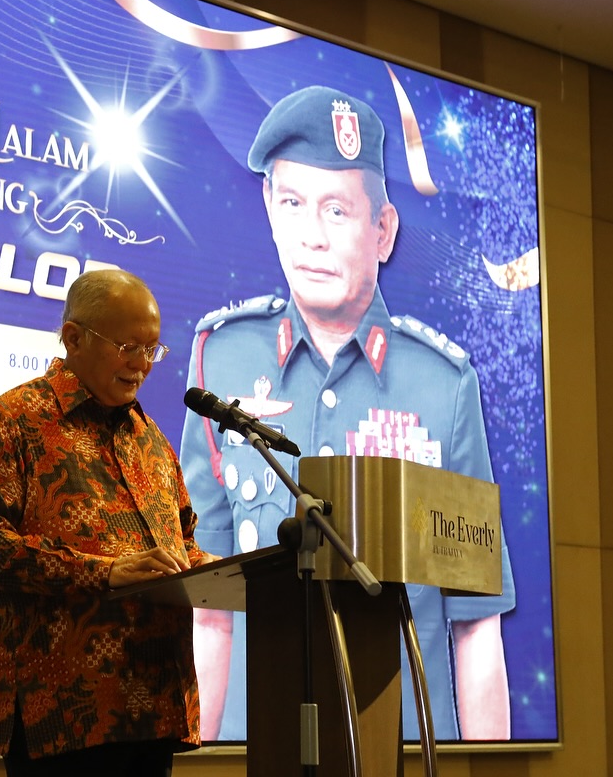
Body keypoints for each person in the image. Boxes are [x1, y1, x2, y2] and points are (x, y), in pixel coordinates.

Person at [179, 85, 517, 742]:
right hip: (259, 749)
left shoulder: (440, 385)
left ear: (383, 230)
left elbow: (476, 625)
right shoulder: (221, 361)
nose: (311, 237)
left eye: (336, 210)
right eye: (292, 204)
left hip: (399, 753)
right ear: (269, 210)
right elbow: (209, 614)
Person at [0, 268, 212, 777]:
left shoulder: (153, 442)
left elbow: (181, 546)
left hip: (152, 708)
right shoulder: (14, 421)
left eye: (152, 350)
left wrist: (224, 572)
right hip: (61, 718)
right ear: (74, 338)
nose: (142, 364)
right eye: (128, 347)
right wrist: (104, 572)